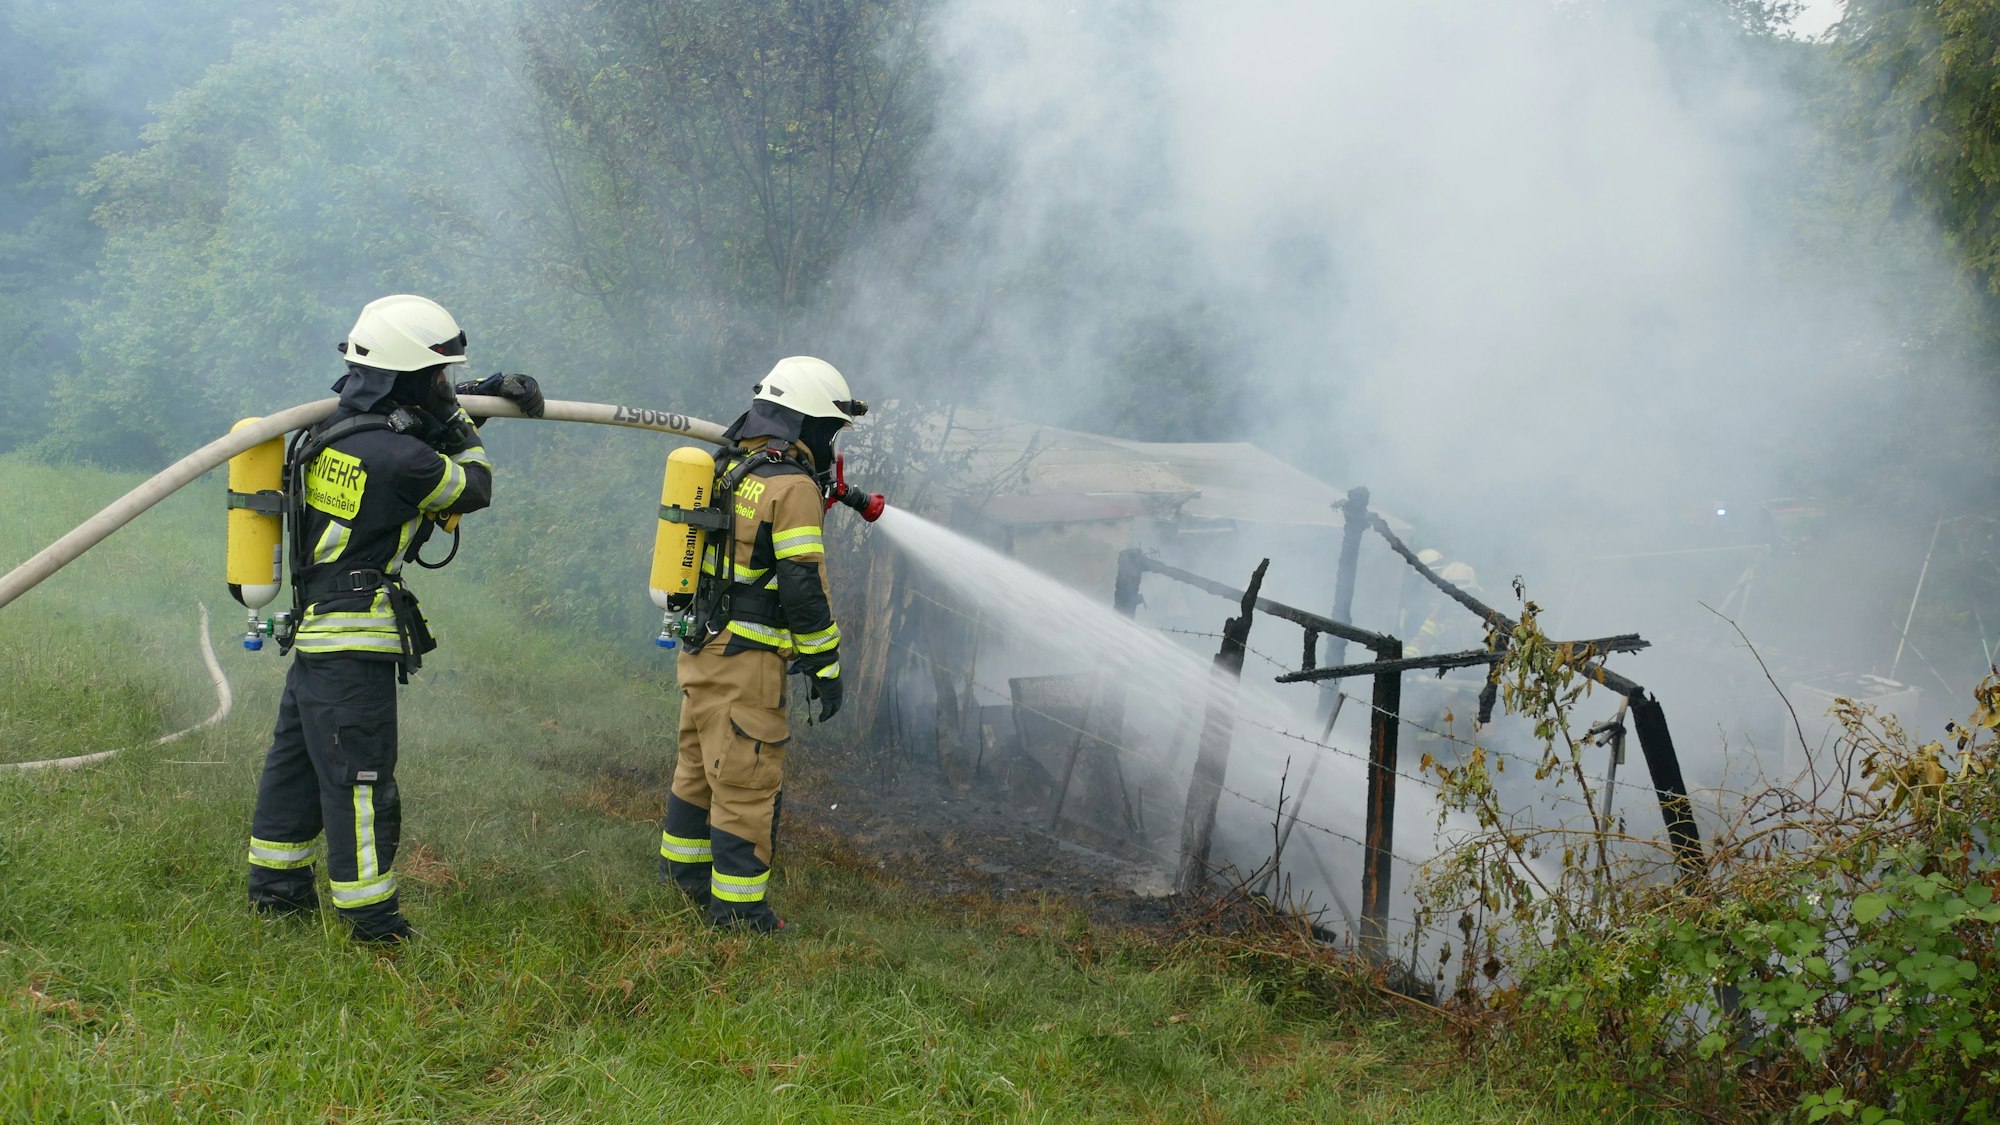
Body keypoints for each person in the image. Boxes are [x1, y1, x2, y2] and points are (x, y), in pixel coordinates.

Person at [245, 294, 544, 943]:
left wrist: (466, 393)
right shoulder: (399, 457)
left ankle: (275, 891)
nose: (442, 384)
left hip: (319, 629)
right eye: (436, 374)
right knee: (361, 779)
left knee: (295, 765)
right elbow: (473, 484)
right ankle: (372, 922)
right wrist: (462, 417)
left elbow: (400, 431)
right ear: (409, 376)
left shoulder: (333, 429)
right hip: (354, 641)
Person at [659, 356, 862, 933]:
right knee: (746, 783)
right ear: (806, 423)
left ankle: (685, 885)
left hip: (704, 647)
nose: (829, 441)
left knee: (698, 772)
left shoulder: (731, 467)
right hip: (747, 660)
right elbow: (802, 585)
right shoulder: (790, 485)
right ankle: (741, 917)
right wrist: (825, 664)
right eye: (827, 428)